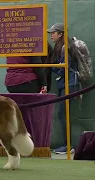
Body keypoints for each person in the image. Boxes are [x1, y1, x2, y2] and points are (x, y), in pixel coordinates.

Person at [47, 23, 79, 154]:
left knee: (63, 113)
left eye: (53, 33)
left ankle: (68, 145)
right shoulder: (60, 47)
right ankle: (67, 144)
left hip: (70, 84)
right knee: (62, 114)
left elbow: (63, 69)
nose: (51, 36)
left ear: (60, 34)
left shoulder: (66, 47)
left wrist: (51, 66)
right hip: (64, 84)